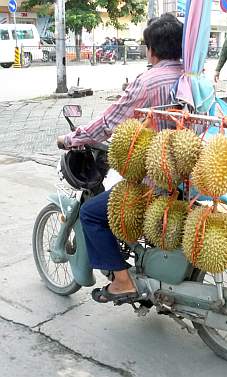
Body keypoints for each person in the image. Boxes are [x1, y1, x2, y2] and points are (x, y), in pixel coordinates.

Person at [56, 14, 183, 304]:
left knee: (90, 214)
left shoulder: (148, 81)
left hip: (157, 180)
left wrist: (73, 138)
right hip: (190, 177)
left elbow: (109, 121)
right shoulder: (193, 75)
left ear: (151, 48)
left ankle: (123, 281)